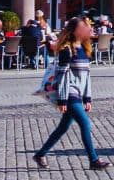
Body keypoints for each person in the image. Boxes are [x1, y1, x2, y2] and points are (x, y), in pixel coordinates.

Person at [32, 18, 110, 171]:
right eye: (83, 28)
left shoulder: (85, 49)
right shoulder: (66, 50)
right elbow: (62, 76)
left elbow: (86, 76)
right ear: (75, 31)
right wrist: (62, 99)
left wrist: (87, 97)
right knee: (85, 124)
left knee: (63, 127)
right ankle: (93, 160)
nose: (88, 30)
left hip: (78, 94)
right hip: (69, 94)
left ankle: (40, 154)